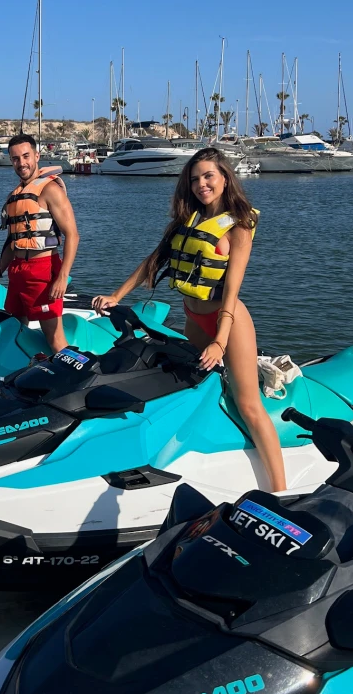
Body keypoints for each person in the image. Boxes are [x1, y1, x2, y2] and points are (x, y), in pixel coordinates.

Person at [92, 147, 286, 492]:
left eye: (209, 176)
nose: (201, 184)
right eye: (195, 179)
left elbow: (232, 291)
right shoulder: (187, 219)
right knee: (202, 381)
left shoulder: (238, 225)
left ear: (225, 178)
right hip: (194, 317)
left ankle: (281, 491)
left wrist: (220, 341)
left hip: (228, 322)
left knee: (248, 404)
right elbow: (153, 261)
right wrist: (117, 296)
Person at [0, 133, 79, 354]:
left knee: (55, 340)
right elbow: (12, 242)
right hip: (17, 271)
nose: (21, 163)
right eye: (15, 158)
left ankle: (76, 372)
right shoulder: (13, 196)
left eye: (26, 156)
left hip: (43, 271)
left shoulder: (50, 190)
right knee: (16, 331)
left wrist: (62, 277)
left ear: (37, 156)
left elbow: (73, 235)